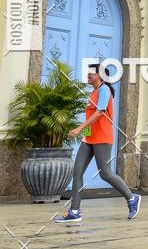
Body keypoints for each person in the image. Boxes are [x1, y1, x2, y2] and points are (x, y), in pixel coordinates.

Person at [54, 63, 141, 223]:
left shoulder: (104, 90)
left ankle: (132, 197)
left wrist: (79, 129)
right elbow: (90, 118)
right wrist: (85, 135)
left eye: (91, 73)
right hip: (89, 139)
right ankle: (74, 211)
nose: (88, 75)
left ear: (100, 76)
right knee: (77, 171)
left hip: (102, 138)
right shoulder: (93, 93)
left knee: (105, 173)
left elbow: (100, 112)